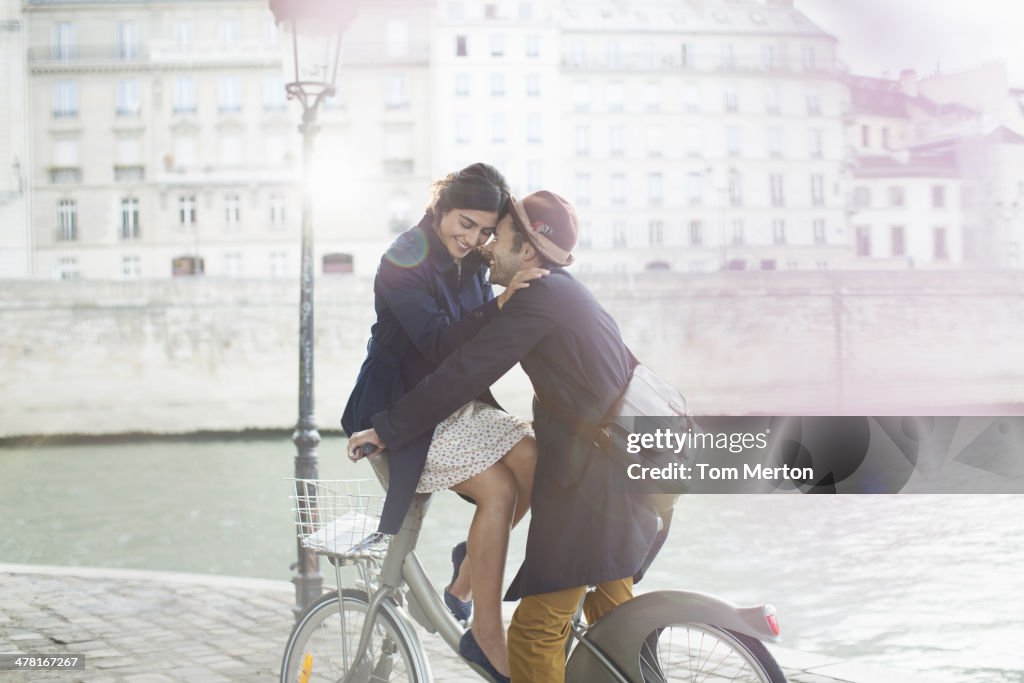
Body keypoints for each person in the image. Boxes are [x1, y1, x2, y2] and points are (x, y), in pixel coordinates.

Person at [348, 191, 662, 683]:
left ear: (529, 252)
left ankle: (478, 602)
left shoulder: (537, 299)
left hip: (598, 489)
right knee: (617, 629)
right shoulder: (566, 292)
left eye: (499, 238)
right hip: (640, 473)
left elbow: (464, 372)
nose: (487, 247)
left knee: (534, 638)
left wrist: (387, 427)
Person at [341, 163, 545, 681]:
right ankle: (485, 632)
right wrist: (502, 301)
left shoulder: (473, 259)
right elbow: (435, 342)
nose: (473, 238)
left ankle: (462, 581)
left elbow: (477, 346)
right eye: (464, 223)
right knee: (498, 492)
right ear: (440, 208)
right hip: (401, 408)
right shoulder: (402, 257)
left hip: (452, 399)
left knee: (536, 463)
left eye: (484, 231)